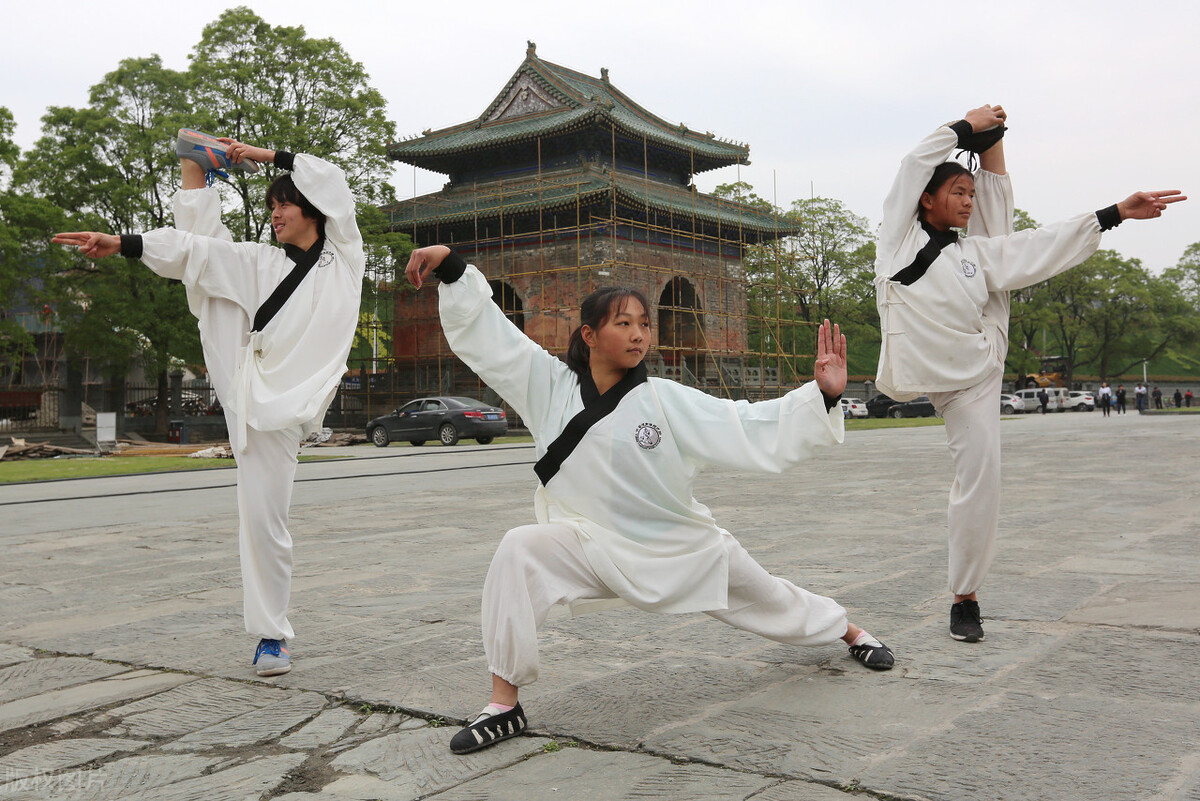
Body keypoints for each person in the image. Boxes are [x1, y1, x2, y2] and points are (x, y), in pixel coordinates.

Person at [405, 245, 895, 755]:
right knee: (518, 549)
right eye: (623, 323)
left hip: (678, 545)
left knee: (767, 597)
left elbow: (747, 425)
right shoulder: (546, 384)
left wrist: (822, 396)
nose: (639, 333)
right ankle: (504, 706)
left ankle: (849, 631)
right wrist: (454, 268)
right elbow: (494, 341)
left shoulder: (667, 398)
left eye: (644, 323)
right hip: (592, 543)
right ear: (590, 335)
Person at [53, 130, 365, 677]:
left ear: (313, 209)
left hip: (284, 411)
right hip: (247, 380)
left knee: (266, 519)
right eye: (270, 205)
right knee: (209, 265)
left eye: (283, 203)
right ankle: (272, 636)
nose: (275, 213)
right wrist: (124, 243)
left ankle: (195, 169)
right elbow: (200, 252)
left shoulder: (345, 259)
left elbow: (333, 181)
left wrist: (260, 154)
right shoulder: (265, 264)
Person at [873, 103, 1185, 644]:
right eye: (958, 193)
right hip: (931, 368)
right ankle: (991, 133)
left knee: (982, 478)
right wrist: (966, 127)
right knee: (998, 235)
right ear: (926, 198)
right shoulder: (897, 240)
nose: (968, 203)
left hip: (979, 367)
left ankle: (964, 597)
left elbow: (1037, 248)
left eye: (973, 194)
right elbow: (913, 162)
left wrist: (1113, 213)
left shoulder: (975, 252)